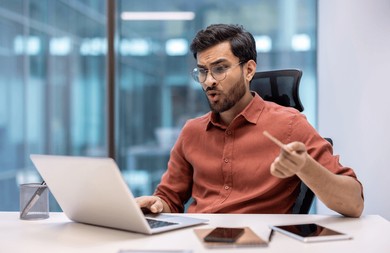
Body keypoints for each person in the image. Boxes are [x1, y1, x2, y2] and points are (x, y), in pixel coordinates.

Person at [136, 24, 364, 217]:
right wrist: (156, 205)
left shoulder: (289, 125)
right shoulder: (192, 132)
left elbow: (354, 203)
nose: (209, 81)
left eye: (220, 68)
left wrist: (306, 167)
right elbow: (169, 199)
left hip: (261, 251)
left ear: (249, 70)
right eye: (203, 71)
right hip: (198, 247)